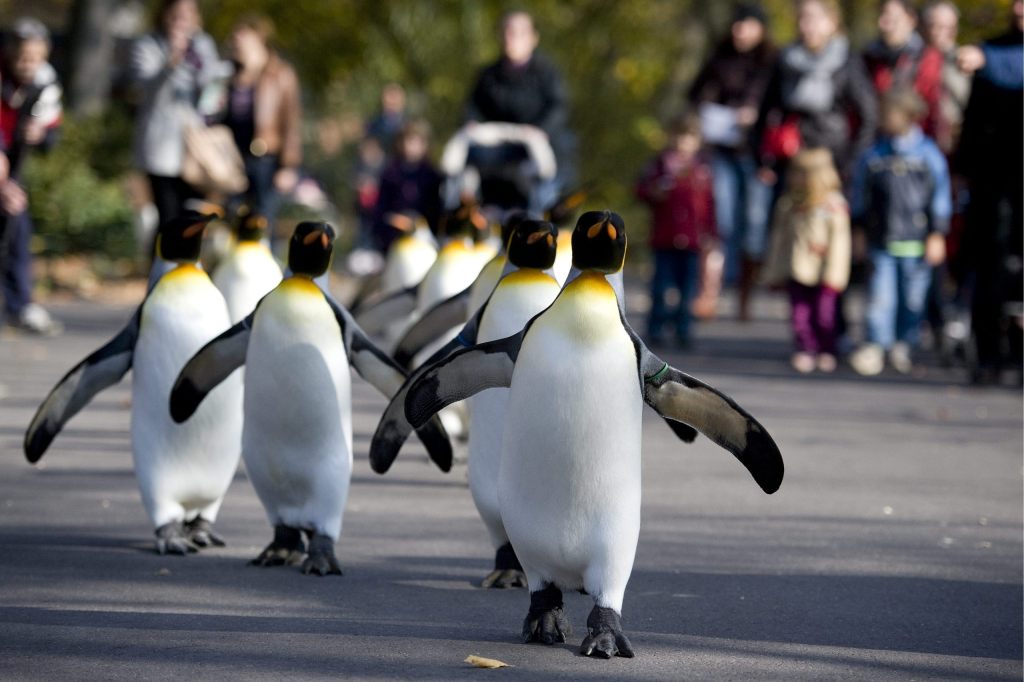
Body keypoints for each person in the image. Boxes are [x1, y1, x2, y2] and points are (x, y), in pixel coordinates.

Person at [849, 88, 951, 376]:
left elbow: (940, 197)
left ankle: (903, 345)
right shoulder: (873, 155)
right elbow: (860, 195)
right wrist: (859, 231)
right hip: (881, 240)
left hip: (916, 242)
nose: (884, 119)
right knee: (880, 297)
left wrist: (937, 233)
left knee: (912, 299)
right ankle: (875, 345)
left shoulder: (928, 155)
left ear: (910, 116)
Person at [688, 4, 776, 320]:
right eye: (737, 25)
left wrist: (757, 116)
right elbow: (694, 94)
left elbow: (782, 105)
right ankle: (709, 293)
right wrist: (714, 110)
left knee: (754, 226)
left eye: (748, 25)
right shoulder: (720, 57)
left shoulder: (773, 63)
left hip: (758, 155)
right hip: (722, 150)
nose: (741, 32)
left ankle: (744, 297)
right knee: (721, 222)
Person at [955, 0, 1024, 384]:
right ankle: (988, 355)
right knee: (989, 267)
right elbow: (972, 119)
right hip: (993, 182)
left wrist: (990, 61)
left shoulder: (992, 57)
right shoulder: (993, 49)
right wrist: (962, 170)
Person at [753, 0, 877, 185]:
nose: (806, 26)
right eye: (801, 18)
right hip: (790, 162)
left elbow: (869, 115)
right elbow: (766, 109)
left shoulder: (847, 62)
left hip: (833, 164)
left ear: (831, 22)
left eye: (813, 18)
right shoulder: (786, 61)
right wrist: (761, 158)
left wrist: (851, 163)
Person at [128, 0, 224, 231]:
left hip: (196, 145)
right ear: (165, 14)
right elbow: (144, 90)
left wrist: (216, 91)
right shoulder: (148, 44)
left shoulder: (203, 45)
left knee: (191, 213)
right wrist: (172, 61)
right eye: (176, 14)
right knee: (167, 213)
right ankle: (162, 255)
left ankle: (184, 253)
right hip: (161, 143)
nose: (182, 20)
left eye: (188, 14)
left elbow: (212, 87)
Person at [463, 10, 574, 208]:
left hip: (538, 151)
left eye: (519, 32)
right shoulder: (488, 75)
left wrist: (541, 130)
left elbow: (558, 107)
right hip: (496, 154)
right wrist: (472, 124)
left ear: (533, 38)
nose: (512, 38)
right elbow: (473, 108)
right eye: (508, 32)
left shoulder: (547, 72)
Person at [761, 149, 850, 374]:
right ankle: (806, 348)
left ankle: (827, 348)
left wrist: (835, 274)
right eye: (795, 173)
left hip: (824, 271)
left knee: (824, 313)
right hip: (796, 269)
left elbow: (840, 243)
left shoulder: (833, 205)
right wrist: (773, 271)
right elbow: (779, 239)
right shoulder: (789, 204)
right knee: (799, 314)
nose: (797, 179)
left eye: (803, 174)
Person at [0, 17, 63, 334]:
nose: (29, 65)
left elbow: (52, 132)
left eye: (36, 58)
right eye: (23, 57)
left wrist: (41, 134)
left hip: (13, 169)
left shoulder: (45, 84)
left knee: (17, 231)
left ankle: (20, 305)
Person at [636, 116, 717, 349]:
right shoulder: (659, 166)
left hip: (692, 240)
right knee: (660, 287)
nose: (683, 143)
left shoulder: (702, 170)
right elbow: (641, 190)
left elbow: (710, 205)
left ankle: (684, 329)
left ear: (697, 141)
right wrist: (653, 192)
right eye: (679, 137)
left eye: (689, 138)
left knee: (688, 289)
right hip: (664, 238)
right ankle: (656, 328)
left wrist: (711, 233)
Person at [220, 14, 302, 224]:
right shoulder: (230, 74)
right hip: (234, 159)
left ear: (259, 37)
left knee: (263, 220)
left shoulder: (280, 74)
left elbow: (291, 122)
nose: (237, 42)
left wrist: (288, 165)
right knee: (233, 217)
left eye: (243, 36)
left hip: (265, 159)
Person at [372, 120, 442, 252]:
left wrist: (419, 223)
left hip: (424, 242)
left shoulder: (432, 176)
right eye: (409, 140)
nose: (412, 146)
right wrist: (393, 222)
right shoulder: (390, 174)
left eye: (417, 141)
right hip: (394, 241)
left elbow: (436, 212)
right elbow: (380, 211)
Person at [922, 1, 971, 155]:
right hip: (921, 141)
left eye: (946, 27)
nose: (939, 33)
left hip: (955, 142)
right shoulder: (912, 61)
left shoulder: (965, 62)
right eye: (934, 26)